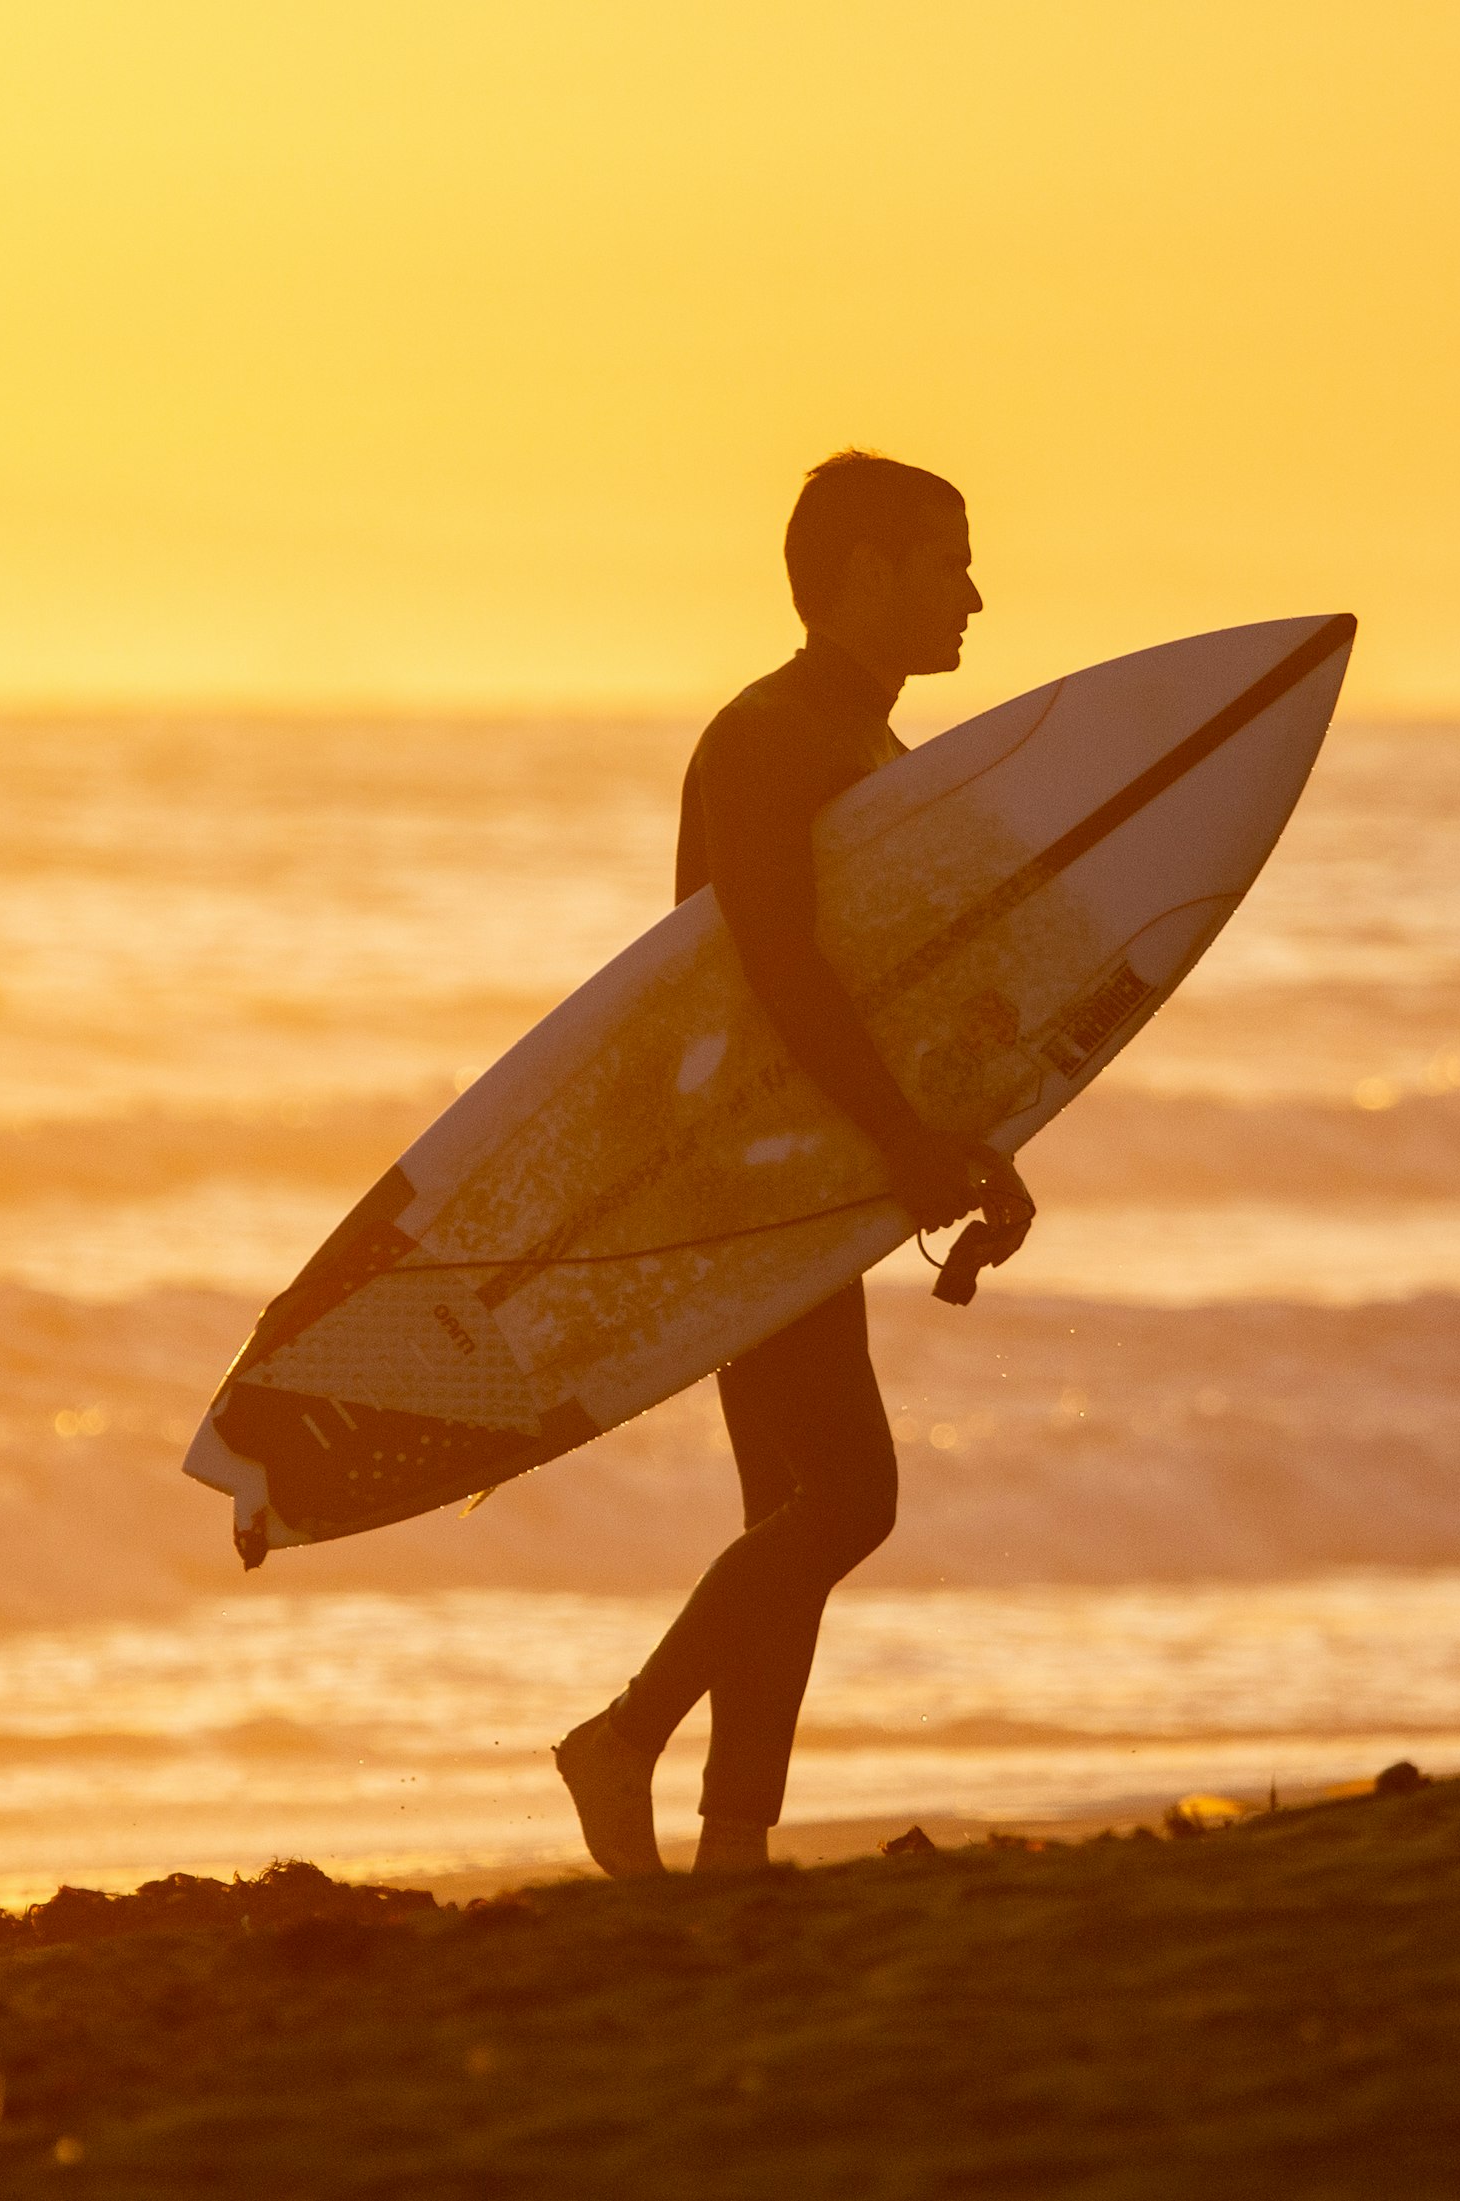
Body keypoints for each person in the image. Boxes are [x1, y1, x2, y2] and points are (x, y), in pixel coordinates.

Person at [554, 450, 1033, 1876]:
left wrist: (972, 1146)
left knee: (796, 1513)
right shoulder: (770, 737)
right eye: (947, 561)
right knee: (848, 1498)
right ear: (862, 573)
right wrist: (896, 1140)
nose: (974, 593)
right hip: (743, 1178)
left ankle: (733, 1842)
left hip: (812, 1171)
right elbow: (771, 966)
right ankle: (624, 1737)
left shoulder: (871, 749)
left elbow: (903, 998)